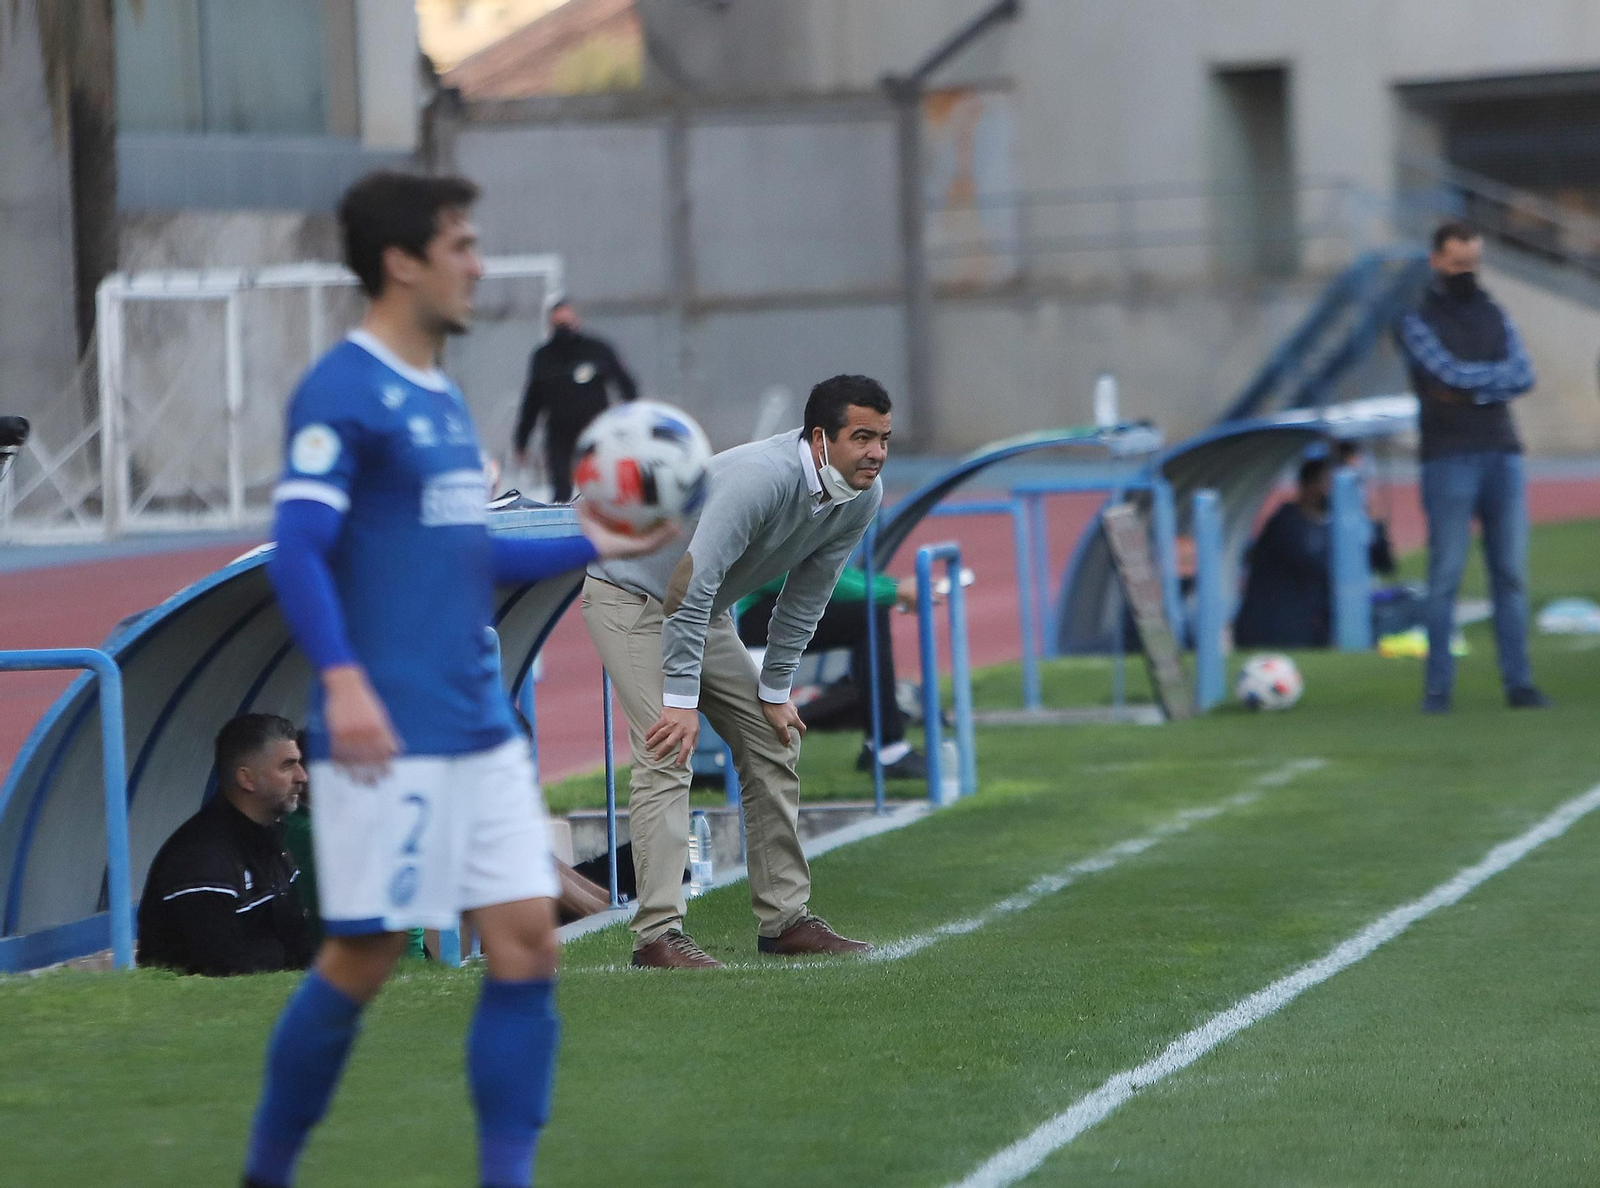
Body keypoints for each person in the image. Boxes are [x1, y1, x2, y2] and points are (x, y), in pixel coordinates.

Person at [246, 170, 670, 1188]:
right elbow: (296, 550)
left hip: (478, 733)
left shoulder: (438, 398)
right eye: (462, 245)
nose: (480, 265)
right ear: (404, 261)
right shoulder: (343, 390)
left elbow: (463, 551)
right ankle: (265, 1173)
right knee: (364, 960)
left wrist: (594, 532)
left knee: (529, 945)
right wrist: (342, 683)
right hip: (391, 735)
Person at [582, 374, 891, 969]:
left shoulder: (862, 495)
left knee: (773, 740)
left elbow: (808, 595)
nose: (876, 452)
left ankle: (785, 921)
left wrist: (776, 691)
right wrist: (679, 701)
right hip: (634, 598)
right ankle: (658, 936)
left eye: (883, 438)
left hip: (702, 609)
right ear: (821, 439)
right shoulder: (760, 478)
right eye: (862, 437)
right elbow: (688, 585)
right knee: (666, 750)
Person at [1396, 220, 1548, 713]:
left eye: (1474, 263)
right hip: (1448, 457)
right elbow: (1443, 372)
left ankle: (1519, 684)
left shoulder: (1494, 313)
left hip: (1502, 451)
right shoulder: (1415, 319)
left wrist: (1471, 391)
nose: (1467, 272)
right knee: (1446, 576)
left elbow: (1523, 374)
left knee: (1510, 575)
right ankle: (1437, 689)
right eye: (1458, 263)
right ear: (1436, 261)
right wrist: (1491, 385)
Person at [137, 714, 314, 977]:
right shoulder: (202, 859)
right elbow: (224, 976)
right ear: (247, 779)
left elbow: (297, 949)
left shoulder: (270, 838)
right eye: (288, 766)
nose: (302, 776)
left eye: (299, 763)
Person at [736, 566, 928, 779]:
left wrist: (893, 588)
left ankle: (883, 747)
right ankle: (887, 751)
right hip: (737, 614)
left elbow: (833, 568)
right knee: (867, 618)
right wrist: (893, 591)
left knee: (868, 616)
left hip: (754, 601)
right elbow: (805, 574)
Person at [511, 299, 637, 502]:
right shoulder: (543, 357)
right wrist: (522, 440)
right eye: (558, 323)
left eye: (566, 322)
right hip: (559, 434)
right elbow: (532, 402)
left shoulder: (596, 349)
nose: (563, 329)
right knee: (561, 489)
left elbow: (624, 383)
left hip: (595, 431)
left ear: (576, 321)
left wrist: (631, 418)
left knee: (601, 486)